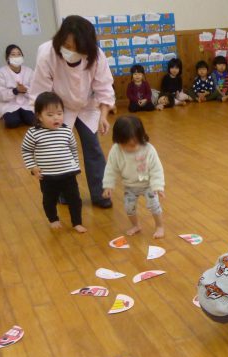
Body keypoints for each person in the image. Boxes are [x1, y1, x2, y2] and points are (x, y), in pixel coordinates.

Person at [30, 15, 115, 208]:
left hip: (87, 106)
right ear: (60, 40)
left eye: (77, 48)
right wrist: (46, 118)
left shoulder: (96, 55)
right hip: (57, 108)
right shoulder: (46, 54)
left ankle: (100, 193)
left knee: (93, 148)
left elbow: (104, 88)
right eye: (67, 46)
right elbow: (41, 91)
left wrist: (103, 116)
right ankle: (65, 194)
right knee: (60, 151)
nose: (71, 51)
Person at [21, 92, 86, 233]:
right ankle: (53, 219)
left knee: (75, 199)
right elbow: (26, 150)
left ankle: (77, 222)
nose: (56, 117)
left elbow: (73, 149)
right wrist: (32, 167)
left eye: (59, 113)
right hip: (48, 176)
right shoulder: (33, 133)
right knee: (49, 200)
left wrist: (76, 165)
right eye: (50, 115)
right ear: (39, 116)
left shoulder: (67, 131)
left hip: (68, 174)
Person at [102, 116, 166, 239]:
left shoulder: (148, 149)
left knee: (154, 205)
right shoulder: (116, 151)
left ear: (141, 137)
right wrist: (108, 186)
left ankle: (159, 226)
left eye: (135, 144)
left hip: (148, 185)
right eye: (126, 145)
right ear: (118, 141)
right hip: (130, 186)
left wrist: (158, 186)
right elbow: (110, 169)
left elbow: (156, 169)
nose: (131, 148)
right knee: (128, 208)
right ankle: (136, 225)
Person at [0, 44, 35, 128]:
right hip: (9, 104)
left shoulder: (29, 71)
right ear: (7, 57)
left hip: (26, 102)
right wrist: (15, 91)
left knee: (33, 121)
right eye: (13, 54)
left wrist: (25, 90)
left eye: (19, 54)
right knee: (12, 123)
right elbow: (0, 94)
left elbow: (34, 90)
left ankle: (24, 116)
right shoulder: (1, 72)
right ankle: (16, 117)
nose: (16, 57)